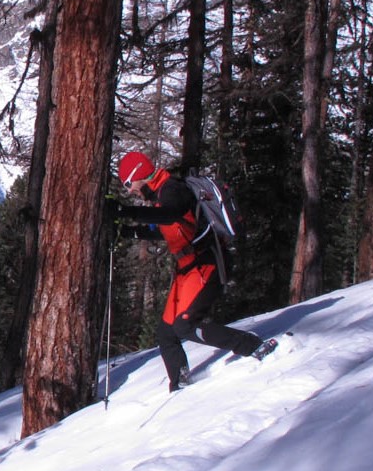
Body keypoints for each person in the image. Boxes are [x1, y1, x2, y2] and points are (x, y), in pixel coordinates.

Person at [112, 151, 277, 392]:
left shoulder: (172, 190)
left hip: (205, 264)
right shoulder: (161, 196)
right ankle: (180, 385)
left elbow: (170, 215)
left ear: (139, 174)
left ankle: (252, 346)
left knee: (185, 326)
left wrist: (126, 211)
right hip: (188, 270)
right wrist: (129, 232)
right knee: (167, 332)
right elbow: (167, 228)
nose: (130, 190)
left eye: (128, 183)